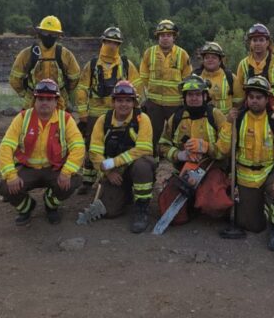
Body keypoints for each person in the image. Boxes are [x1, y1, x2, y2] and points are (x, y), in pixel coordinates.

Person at [218, 76, 274, 251]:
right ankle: (261, 208)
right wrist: (228, 124)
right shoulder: (237, 119)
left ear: (267, 99)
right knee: (252, 226)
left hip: (269, 173)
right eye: (251, 97)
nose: (254, 100)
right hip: (245, 178)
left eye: (259, 97)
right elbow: (223, 149)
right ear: (247, 98)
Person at [0, 79, 84, 225]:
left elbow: (78, 147)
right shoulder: (22, 118)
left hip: (54, 169)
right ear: (34, 100)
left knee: (74, 180)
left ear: (56, 101)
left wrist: (66, 172)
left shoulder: (66, 119)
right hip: (28, 168)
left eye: (49, 99)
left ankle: (50, 204)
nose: (45, 102)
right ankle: (27, 207)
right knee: (5, 187)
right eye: (41, 98)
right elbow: (5, 147)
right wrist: (11, 175)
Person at [157, 75, 232, 225]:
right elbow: (162, 145)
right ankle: (191, 202)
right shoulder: (176, 117)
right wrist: (180, 155)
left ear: (205, 96)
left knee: (214, 206)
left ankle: (222, 191)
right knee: (170, 211)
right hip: (185, 171)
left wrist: (206, 147)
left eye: (198, 94)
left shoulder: (215, 115)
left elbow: (226, 150)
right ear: (184, 98)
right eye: (190, 95)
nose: (194, 98)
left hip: (212, 168)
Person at [75, 27, 142, 194]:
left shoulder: (126, 65)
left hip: (120, 112)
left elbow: (137, 86)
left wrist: (135, 107)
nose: (112, 45)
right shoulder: (92, 65)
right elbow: (82, 88)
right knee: (92, 144)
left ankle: (118, 175)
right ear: (103, 42)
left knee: (118, 142)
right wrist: (83, 113)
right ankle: (88, 180)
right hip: (95, 112)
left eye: (115, 42)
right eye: (109, 41)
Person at [88, 80, 156, 233]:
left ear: (134, 102)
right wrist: (107, 172)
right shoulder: (103, 121)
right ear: (113, 102)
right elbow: (94, 152)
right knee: (110, 211)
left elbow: (144, 149)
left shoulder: (142, 119)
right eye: (119, 100)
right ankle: (125, 194)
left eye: (128, 100)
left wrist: (114, 162)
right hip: (115, 173)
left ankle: (142, 207)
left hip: (133, 168)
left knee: (142, 165)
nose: (123, 104)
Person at [139, 19, 192, 156]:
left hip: (175, 104)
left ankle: (179, 161)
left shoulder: (182, 54)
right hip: (154, 103)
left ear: (174, 37)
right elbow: (143, 78)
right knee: (152, 133)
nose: (165, 38)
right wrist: (147, 96)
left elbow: (187, 80)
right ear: (158, 37)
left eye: (168, 35)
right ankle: (152, 160)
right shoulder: (149, 53)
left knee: (177, 133)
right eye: (162, 35)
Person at [9, 15, 81, 110]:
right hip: (33, 102)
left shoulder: (66, 55)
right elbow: (14, 79)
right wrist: (26, 94)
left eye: (53, 34)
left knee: (61, 124)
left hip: (59, 103)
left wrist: (63, 92)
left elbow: (75, 77)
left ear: (59, 36)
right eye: (46, 32)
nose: (49, 36)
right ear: (39, 33)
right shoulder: (27, 54)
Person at [234, 23, 274, 114]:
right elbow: (240, 92)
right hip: (250, 114)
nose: (258, 43)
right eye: (254, 40)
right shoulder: (243, 64)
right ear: (250, 43)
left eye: (261, 40)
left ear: (267, 42)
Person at [193, 42, 238, 116]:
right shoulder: (196, 77)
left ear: (220, 61)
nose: (210, 60)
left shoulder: (230, 77)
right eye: (207, 57)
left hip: (225, 123)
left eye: (214, 57)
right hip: (203, 122)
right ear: (203, 60)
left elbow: (238, 101)